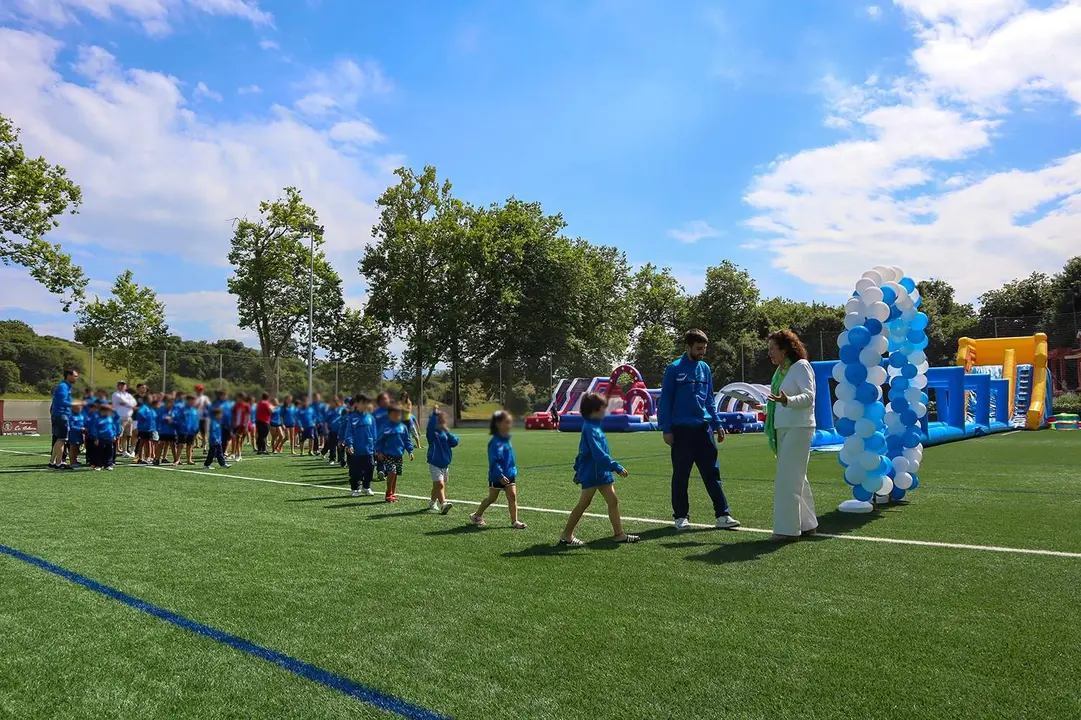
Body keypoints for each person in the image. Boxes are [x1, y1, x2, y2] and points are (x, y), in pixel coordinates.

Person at [658, 329, 740, 531]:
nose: (702, 352)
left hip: (704, 431)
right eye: (698, 348)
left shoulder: (705, 368)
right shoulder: (674, 369)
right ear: (687, 347)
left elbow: (710, 400)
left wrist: (718, 424)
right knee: (681, 475)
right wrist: (666, 429)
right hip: (681, 431)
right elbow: (666, 400)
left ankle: (722, 515)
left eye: (704, 349)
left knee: (712, 474)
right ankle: (680, 517)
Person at [559, 393, 639, 546]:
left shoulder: (593, 426)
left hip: (601, 473)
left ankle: (619, 534)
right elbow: (598, 454)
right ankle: (566, 535)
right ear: (594, 410)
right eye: (603, 407)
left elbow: (582, 451)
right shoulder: (590, 428)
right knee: (584, 503)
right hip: (594, 474)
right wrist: (616, 466)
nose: (605, 410)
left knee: (613, 501)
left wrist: (578, 468)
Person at [762, 329, 819, 542]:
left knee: (787, 480)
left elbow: (808, 397)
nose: (770, 354)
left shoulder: (801, 367)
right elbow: (779, 401)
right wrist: (765, 405)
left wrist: (787, 401)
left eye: (772, 349)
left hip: (799, 428)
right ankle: (807, 524)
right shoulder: (781, 373)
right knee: (797, 479)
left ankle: (787, 530)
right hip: (785, 428)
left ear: (785, 350)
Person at [470, 411, 526, 529]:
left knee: (512, 496)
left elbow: (510, 458)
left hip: (509, 474)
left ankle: (514, 521)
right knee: (492, 498)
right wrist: (500, 475)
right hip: (497, 476)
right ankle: (476, 515)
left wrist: (512, 470)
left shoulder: (506, 440)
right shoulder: (494, 442)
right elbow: (494, 461)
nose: (509, 425)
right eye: (506, 422)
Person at [374, 404, 413, 502]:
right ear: (390, 415)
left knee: (395, 475)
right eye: (395, 415)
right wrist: (378, 452)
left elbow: (407, 440)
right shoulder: (385, 427)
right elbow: (379, 441)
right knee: (392, 472)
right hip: (388, 455)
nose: (398, 417)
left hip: (399, 455)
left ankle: (393, 493)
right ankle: (388, 493)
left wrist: (410, 451)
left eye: (399, 415)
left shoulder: (403, 427)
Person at [425, 407, 458, 514]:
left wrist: (447, 431)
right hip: (435, 463)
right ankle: (443, 503)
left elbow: (455, 442)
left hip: (445, 464)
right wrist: (435, 415)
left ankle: (432, 502)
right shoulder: (432, 435)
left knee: (437, 485)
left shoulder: (446, 434)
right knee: (440, 484)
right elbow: (430, 428)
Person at [344, 395, 377, 497]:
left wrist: (376, 446)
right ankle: (355, 489)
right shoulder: (352, 418)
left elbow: (374, 433)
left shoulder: (370, 418)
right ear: (357, 404)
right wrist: (349, 444)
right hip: (356, 450)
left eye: (367, 403)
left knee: (370, 468)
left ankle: (366, 487)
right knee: (355, 471)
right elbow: (349, 432)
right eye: (363, 403)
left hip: (369, 450)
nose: (365, 405)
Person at [49, 368, 78, 469]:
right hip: (61, 415)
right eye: (75, 376)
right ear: (68, 376)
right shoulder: (63, 387)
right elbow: (62, 402)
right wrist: (75, 404)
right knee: (62, 439)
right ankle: (59, 463)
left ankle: (52, 462)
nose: (76, 378)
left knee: (58, 439)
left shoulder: (65, 386)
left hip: (59, 415)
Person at [111, 380, 138, 458]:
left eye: (124, 385)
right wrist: (129, 404)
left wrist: (127, 404)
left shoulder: (127, 394)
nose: (122, 386)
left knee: (126, 435)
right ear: (118, 386)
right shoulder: (116, 394)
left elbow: (134, 403)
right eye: (120, 385)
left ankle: (124, 451)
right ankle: (114, 450)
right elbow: (123, 401)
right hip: (120, 417)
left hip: (129, 417)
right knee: (118, 435)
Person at [88, 404, 117, 471]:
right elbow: (94, 429)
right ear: (102, 411)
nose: (108, 412)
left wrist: (114, 435)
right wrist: (95, 438)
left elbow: (113, 427)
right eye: (107, 411)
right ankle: (98, 465)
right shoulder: (96, 418)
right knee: (99, 452)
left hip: (109, 438)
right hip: (100, 438)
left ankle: (108, 464)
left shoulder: (110, 418)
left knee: (109, 452)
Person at [133, 396, 157, 464]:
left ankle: (147, 457)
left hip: (150, 428)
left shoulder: (150, 408)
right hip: (144, 428)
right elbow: (140, 414)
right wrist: (145, 419)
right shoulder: (144, 407)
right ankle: (143, 457)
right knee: (144, 442)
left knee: (147, 442)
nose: (152, 400)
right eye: (150, 399)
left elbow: (154, 416)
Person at [373, 392, 391, 481]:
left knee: (389, 455)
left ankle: (386, 471)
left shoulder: (392, 411)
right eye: (383, 399)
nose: (386, 401)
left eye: (387, 399)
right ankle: (381, 470)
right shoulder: (375, 413)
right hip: (379, 438)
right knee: (380, 454)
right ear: (379, 401)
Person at [67, 401, 86, 469]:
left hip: (80, 434)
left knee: (77, 449)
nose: (80, 408)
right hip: (74, 434)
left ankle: (75, 460)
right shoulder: (71, 416)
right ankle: (72, 462)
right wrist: (80, 429)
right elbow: (71, 426)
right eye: (78, 407)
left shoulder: (81, 415)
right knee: (73, 448)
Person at [193, 384, 210, 449]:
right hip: (195, 418)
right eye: (199, 389)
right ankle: (192, 446)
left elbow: (209, 406)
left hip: (203, 418)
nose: (200, 391)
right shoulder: (194, 398)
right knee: (194, 433)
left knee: (203, 433)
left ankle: (204, 447)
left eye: (201, 390)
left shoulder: (205, 398)